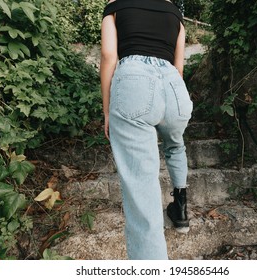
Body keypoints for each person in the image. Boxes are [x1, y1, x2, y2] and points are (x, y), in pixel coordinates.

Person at [100, 0, 193, 260]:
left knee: (142, 184)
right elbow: (179, 66)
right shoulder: (175, 11)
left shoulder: (115, 6)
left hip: (134, 83)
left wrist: (107, 110)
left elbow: (109, 57)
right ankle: (181, 207)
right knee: (176, 145)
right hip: (174, 88)